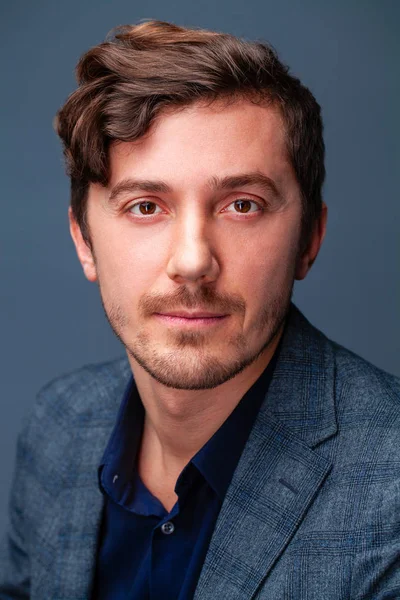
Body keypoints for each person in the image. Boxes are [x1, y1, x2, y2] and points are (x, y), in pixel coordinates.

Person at [1, 19, 399, 600]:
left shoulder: (390, 488)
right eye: (145, 206)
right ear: (84, 240)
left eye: (242, 204)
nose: (192, 261)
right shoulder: (57, 426)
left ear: (309, 238)